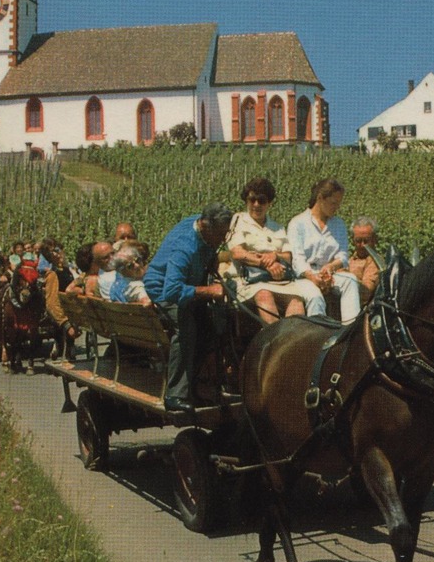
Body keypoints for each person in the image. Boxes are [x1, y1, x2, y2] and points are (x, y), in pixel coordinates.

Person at [143, 203, 233, 414]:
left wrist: (211, 261)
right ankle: (175, 394)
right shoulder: (184, 247)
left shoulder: (200, 223)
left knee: (216, 322)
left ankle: (200, 381)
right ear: (206, 226)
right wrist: (209, 291)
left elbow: (207, 253)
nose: (222, 240)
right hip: (163, 289)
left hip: (188, 283)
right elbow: (171, 291)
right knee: (186, 326)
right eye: (220, 235)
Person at [227, 177, 319, 324]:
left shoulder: (277, 228)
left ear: (269, 203)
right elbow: (237, 252)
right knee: (264, 295)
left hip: (280, 281)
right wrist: (266, 263)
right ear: (246, 201)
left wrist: (274, 255)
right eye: (252, 200)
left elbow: (288, 256)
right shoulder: (238, 221)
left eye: (261, 200)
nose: (256, 204)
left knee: (296, 300)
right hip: (250, 282)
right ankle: (275, 340)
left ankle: (289, 341)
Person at [287, 178, 361, 322]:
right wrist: (313, 277)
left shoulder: (338, 224)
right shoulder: (298, 223)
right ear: (320, 198)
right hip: (304, 277)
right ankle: (317, 337)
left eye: (339, 204)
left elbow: (343, 255)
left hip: (329, 274)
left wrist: (330, 267)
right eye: (334, 203)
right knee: (315, 297)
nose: (337, 207)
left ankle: (350, 328)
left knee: (350, 281)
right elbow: (297, 259)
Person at [40, 240, 78, 365]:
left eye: (58, 250)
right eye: (54, 252)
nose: (59, 253)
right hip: (63, 318)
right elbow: (51, 304)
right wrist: (65, 324)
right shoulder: (53, 275)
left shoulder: (67, 270)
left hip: (72, 312)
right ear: (51, 257)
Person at [347, 217, 381, 305]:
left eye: (366, 241)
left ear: (374, 239)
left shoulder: (374, 261)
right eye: (358, 241)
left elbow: (366, 291)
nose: (362, 245)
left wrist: (345, 278)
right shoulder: (349, 259)